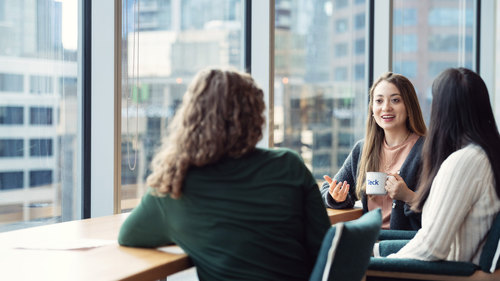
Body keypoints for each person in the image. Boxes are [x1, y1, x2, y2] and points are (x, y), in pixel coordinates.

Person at [118, 68, 331, 281]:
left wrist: (188, 234)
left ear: (191, 116)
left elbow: (129, 235)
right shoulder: (288, 165)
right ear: (255, 115)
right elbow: (325, 248)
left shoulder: (174, 186)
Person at [386, 67, 500, 263]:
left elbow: (431, 248)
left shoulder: (464, 163)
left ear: (442, 111)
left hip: (449, 273)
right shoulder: (487, 155)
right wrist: (378, 253)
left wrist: (382, 263)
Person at [321, 72, 427, 230]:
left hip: (405, 242)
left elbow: (441, 207)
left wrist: (409, 196)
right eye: (379, 101)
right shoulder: (363, 149)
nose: (386, 107)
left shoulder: (426, 149)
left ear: (409, 106)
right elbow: (326, 190)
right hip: (370, 238)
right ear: (372, 108)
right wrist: (336, 197)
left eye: (395, 100)